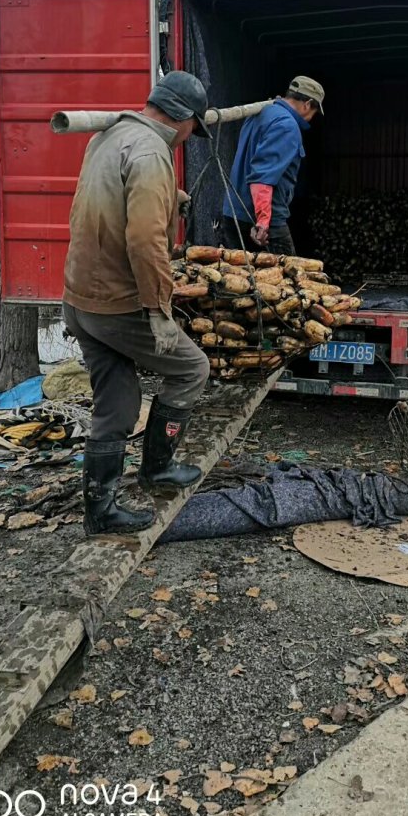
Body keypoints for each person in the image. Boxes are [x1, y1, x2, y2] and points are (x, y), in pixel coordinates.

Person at [62, 71, 212, 536]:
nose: (190, 138)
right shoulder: (151, 152)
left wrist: (171, 200)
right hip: (117, 302)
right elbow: (145, 243)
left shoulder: (112, 135)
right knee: (192, 369)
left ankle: (100, 510)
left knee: (118, 405)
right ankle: (158, 469)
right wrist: (157, 311)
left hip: (80, 298)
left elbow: (109, 199)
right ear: (184, 119)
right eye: (193, 129)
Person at [221, 76, 325, 255]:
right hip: (262, 222)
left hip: (234, 214)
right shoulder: (287, 126)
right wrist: (263, 221)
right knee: (290, 278)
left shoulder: (261, 113)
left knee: (241, 278)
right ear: (307, 104)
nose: (311, 118)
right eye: (314, 112)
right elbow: (262, 176)